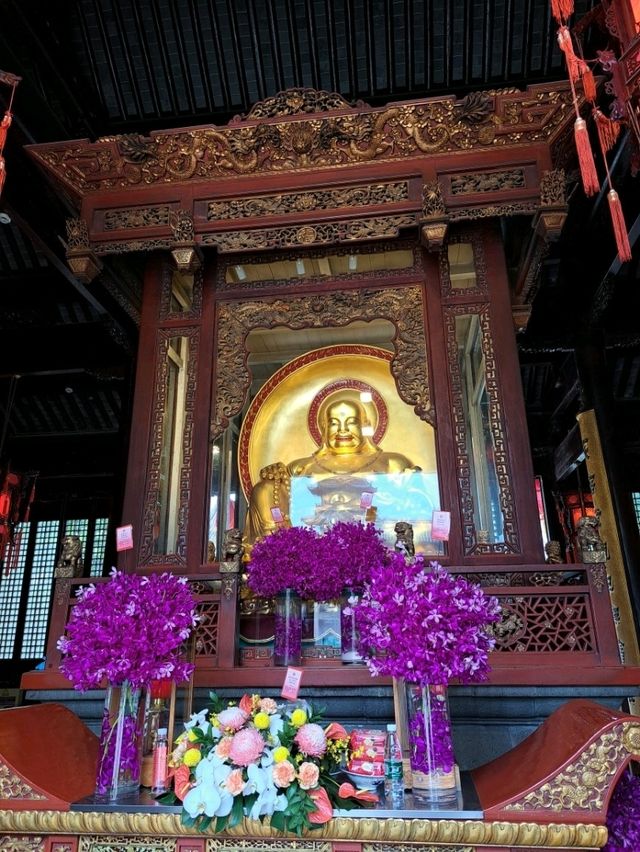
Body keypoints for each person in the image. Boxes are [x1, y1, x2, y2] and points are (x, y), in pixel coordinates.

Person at [243, 391, 420, 544]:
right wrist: (274, 479)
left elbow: (415, 501)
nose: (342, 429)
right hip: (310, 538)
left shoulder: (392, 462)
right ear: (323, 428)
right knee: (264, 489)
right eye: (334, 423)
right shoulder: (301, 467)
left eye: (351, 422)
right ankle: (275, 549)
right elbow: (282, 499)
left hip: (376, 533)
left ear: (365, 426)